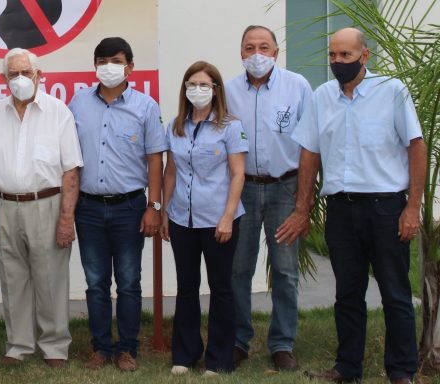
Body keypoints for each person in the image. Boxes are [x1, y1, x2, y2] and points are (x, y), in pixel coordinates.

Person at [276, 27, 425, 384]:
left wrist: (412, 208)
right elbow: (309, 153)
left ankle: (402, 371)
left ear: (365, 55)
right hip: (341, 210)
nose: (337, 62)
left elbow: (415, 146)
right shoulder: (322, 96)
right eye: (332, 55)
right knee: (347, 294)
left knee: (395, 293)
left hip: (386, 208)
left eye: (345, 55)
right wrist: (302, 208)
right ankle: (347, 368)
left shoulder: (391, 91)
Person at [0, 48, 82, 367]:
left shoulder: (57, 111)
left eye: (26, 72)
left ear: (39, 75)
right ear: (3, 79)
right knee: (13, 278)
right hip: (5, 205)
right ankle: (18, 344)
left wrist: (66, 219)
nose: (20, 79)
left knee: (50, 278)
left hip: (46, 206)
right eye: (14, 74)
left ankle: (54, 346)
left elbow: (71, 171)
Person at [68, 37, 166, 372]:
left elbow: (155, 160)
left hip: (130, 207)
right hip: (89, 207)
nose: (109, 66)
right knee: (96, 283)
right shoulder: (77, 103)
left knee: (128, 282)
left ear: (130, 66)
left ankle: (127, 349)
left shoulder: (146, 107)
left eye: (116, 60)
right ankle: (101, 348)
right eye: (102, 60)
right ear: (95, 66)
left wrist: (154, 206)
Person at [225, 25, 312, 371]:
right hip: (242, 188)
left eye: (264, 47)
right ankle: (238, 340)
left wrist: (304, 203)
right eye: (249, 47)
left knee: (286, 269)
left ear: (276, 52)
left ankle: (282, 343)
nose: (256, 54)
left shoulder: (298, 87)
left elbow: (309, 146)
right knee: (238, 268)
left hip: (284, 188)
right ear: (241, 53)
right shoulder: (228, 91)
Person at [161, 61, 248, 376]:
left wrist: (227, 217)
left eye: (204, 84)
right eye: (191, 84)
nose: (197, 90)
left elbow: (238, 174)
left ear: (216, 90)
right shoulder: (175, 126)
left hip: (219, 219)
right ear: (185, 89)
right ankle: (185, 355)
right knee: (186, 287)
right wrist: (164, 211)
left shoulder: (230, 126)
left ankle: (220, 358)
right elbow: (171, 171)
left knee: (221, 288)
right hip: (182, 219)